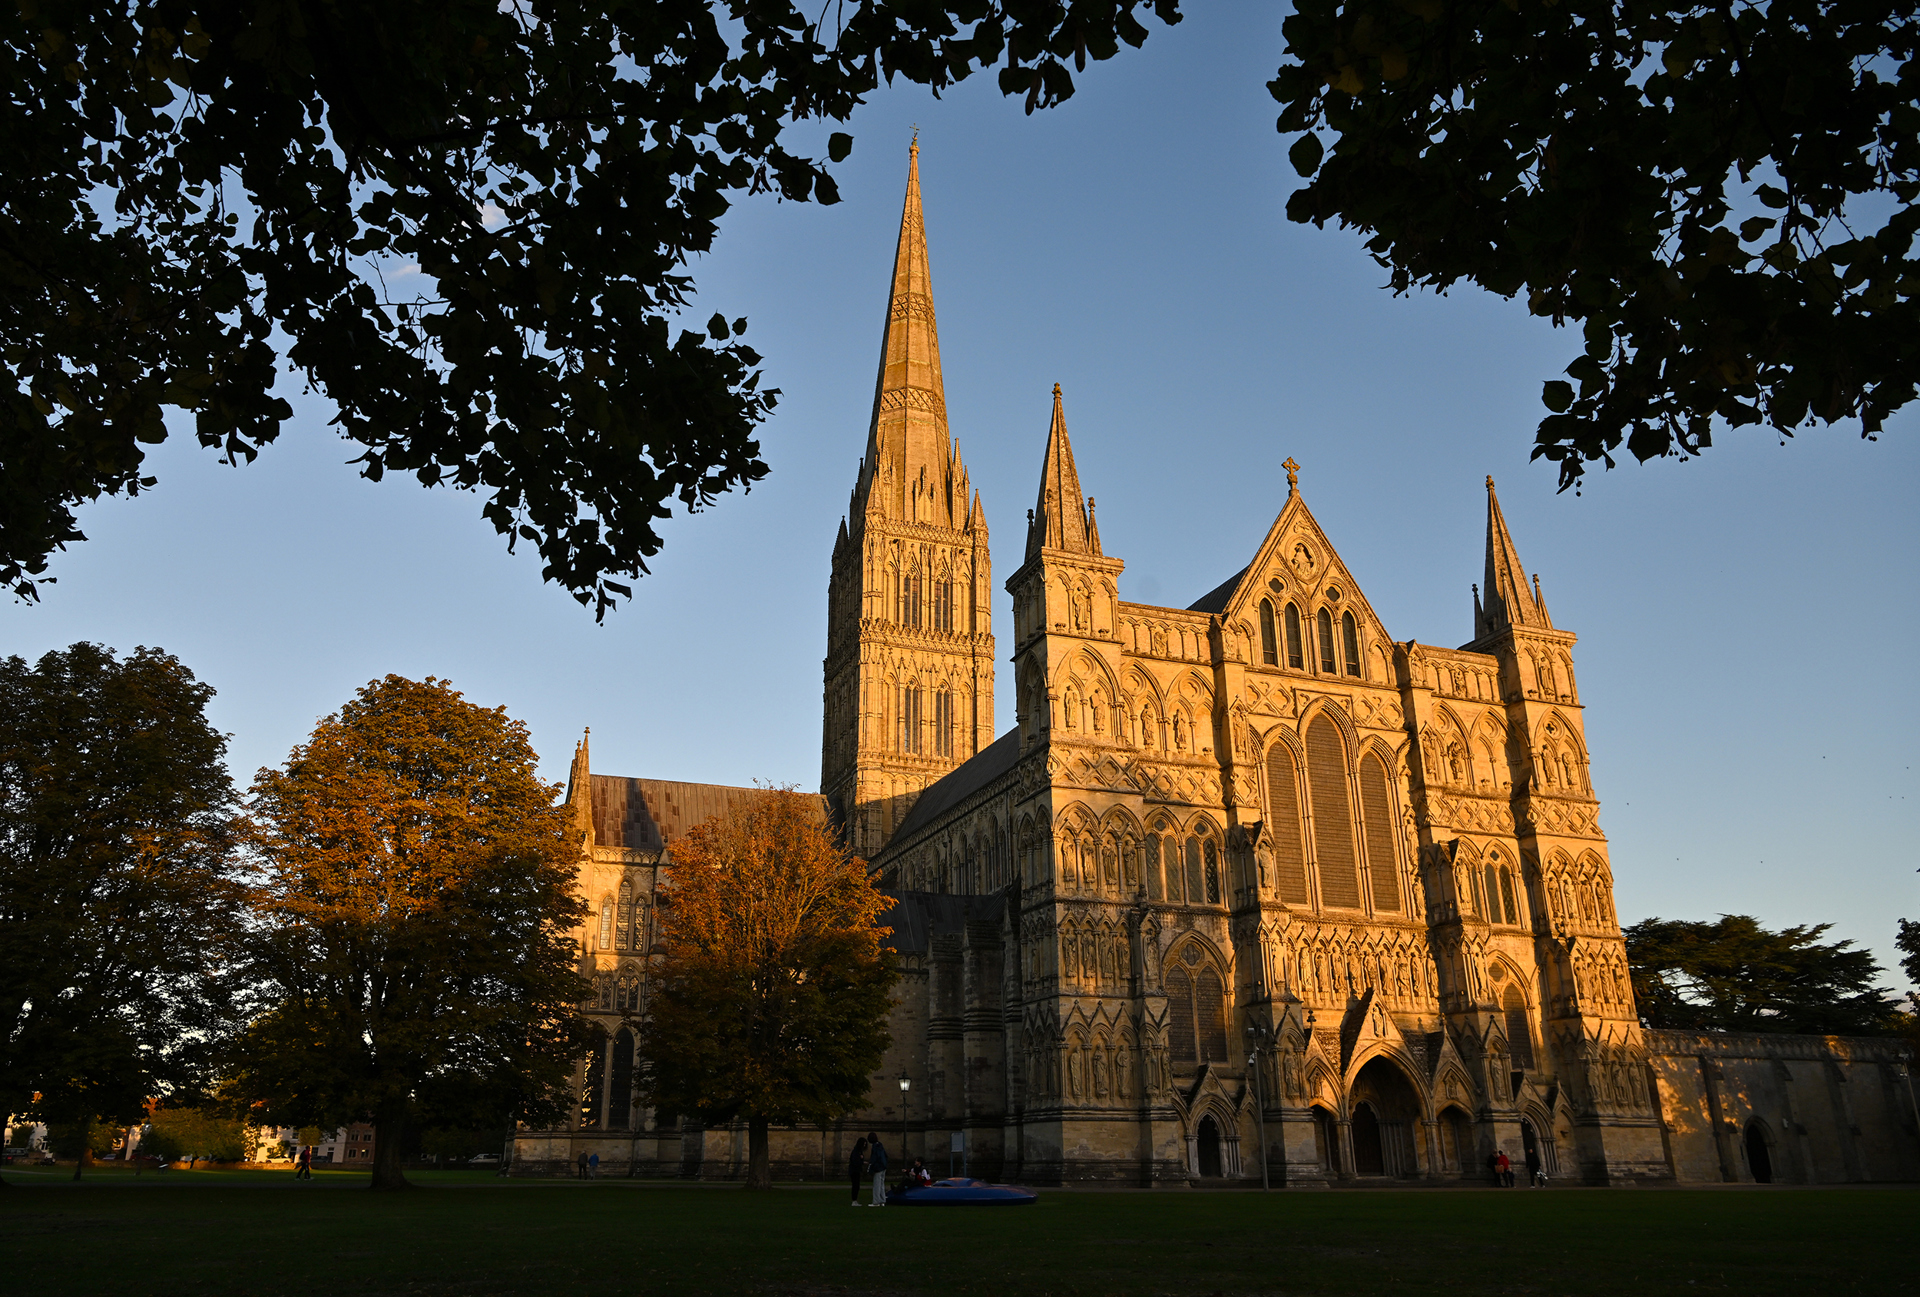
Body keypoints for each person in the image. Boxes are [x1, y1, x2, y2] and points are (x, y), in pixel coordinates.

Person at [866, 1132, 888, 1206]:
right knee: (881, 1184)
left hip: (878, 1167)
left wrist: (871, 1165)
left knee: (876, 1185)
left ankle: (876, 1201)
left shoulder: (875, 1147)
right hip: (883, 1166)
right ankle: (882, 1200)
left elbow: (874, 1158)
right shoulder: (880, 1145)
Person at [848, 1136, 869, 1207]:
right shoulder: (856, 1151)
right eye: (863, 1144)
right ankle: (854, 1201)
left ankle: (855, 1200)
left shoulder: (858, 1151)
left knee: (856, 1186)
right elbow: (855, 1161)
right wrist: (861, 1162)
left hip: (856, 1170)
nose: (864, 1146)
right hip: (854, 1171)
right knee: (855, 1186)